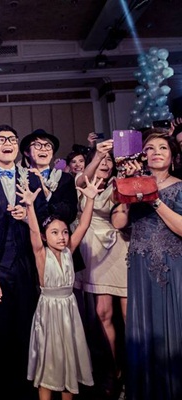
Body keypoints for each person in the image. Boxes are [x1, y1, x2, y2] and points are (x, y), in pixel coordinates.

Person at [0, 124, 47, 400]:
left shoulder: (32, 178)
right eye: (1, 139)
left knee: (27, 334)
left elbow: (46, 220)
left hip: (27, 266)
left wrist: (28, 216)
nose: (8, 143)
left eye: (12, 139)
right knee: (0, 337)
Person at [111, 131, 182, 400]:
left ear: (173, 156)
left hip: (172, 263)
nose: (156, 152)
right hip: (141, 265)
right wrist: (126, 186)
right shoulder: (134, 184)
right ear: (143, 156)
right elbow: (119, 223)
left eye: (163, 147)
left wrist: (154, 199)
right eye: (150, 148)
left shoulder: (179, 186)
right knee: (144, 328)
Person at [20, 176, 100, 400]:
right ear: (45, 237)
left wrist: (90, 199)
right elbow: (33, 232)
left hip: (68, 311)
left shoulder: (69, 251)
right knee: (48, 359)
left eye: (64, 232)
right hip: (49, 311)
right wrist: (29, 206)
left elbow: (83, 225)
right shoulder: (41, 254)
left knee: (68, 358)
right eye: (54, 233)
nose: (62, 237)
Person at [74, 139, 128, 387]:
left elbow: (120, 220)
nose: (105, 164)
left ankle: (135, 370)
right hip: (92, 250)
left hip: (118, 247)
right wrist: (97, 153)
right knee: (102, 313)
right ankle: (113, 371)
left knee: (128, 314)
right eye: (101, 160)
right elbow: (81, 180)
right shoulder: (81, 182)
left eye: (109, 160)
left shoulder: (120, 182)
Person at [20, 129, 78, 225]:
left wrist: (48, 195)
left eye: (48, 146)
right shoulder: (19, 177)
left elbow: (70, 215)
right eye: (37, 145)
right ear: (27, 152)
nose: (43, 149)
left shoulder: (65, 179)